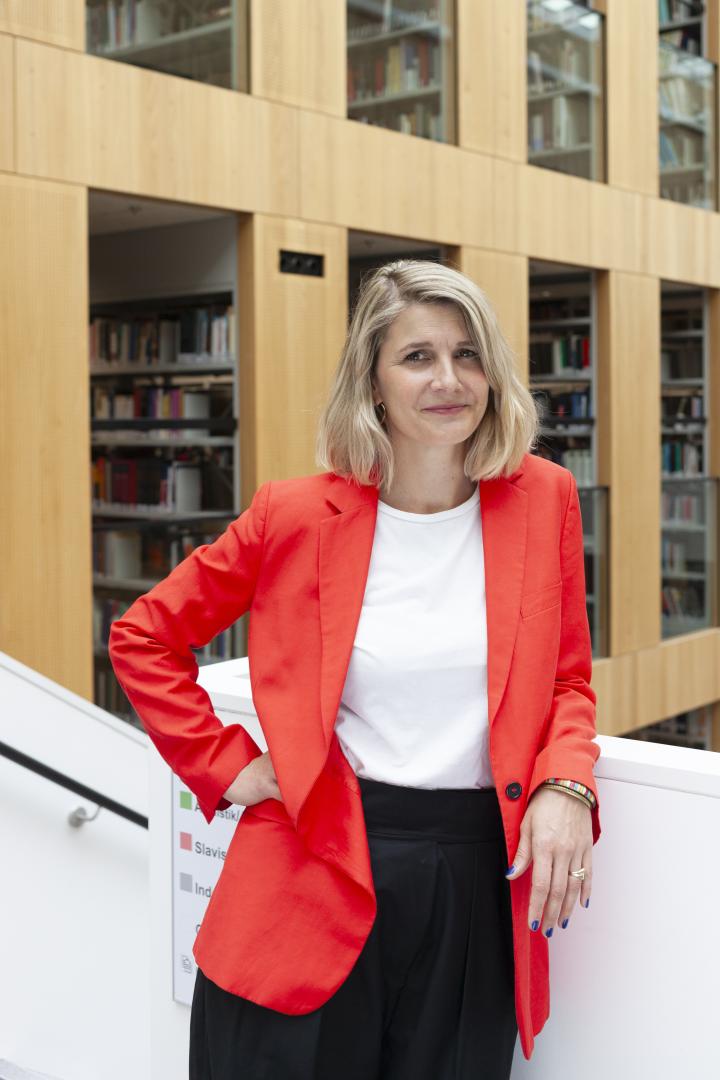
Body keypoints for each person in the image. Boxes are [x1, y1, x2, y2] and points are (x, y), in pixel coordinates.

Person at [108, 258, 602, 1079]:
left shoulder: (544, 497)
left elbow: (567, 682)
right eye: (417, 357)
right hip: (312, 868)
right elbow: (144, 637)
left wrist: (567, 784)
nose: (450, 379)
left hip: (473, 883)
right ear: (372, 382)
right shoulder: (294, 514)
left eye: (468, 354)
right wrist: (231, 768)